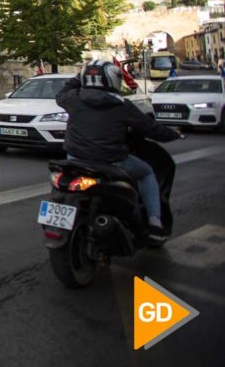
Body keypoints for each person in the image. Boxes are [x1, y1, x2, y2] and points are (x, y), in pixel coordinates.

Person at [56, 60, 180, 242]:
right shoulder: (121, 106)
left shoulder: (73, 99)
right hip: (110, 161)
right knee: (146, 173)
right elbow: (150, 128)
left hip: (75, 159)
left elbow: (61, 93)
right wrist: (174, 134)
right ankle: (154, 221)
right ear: (113, 79)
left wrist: (78, 78)